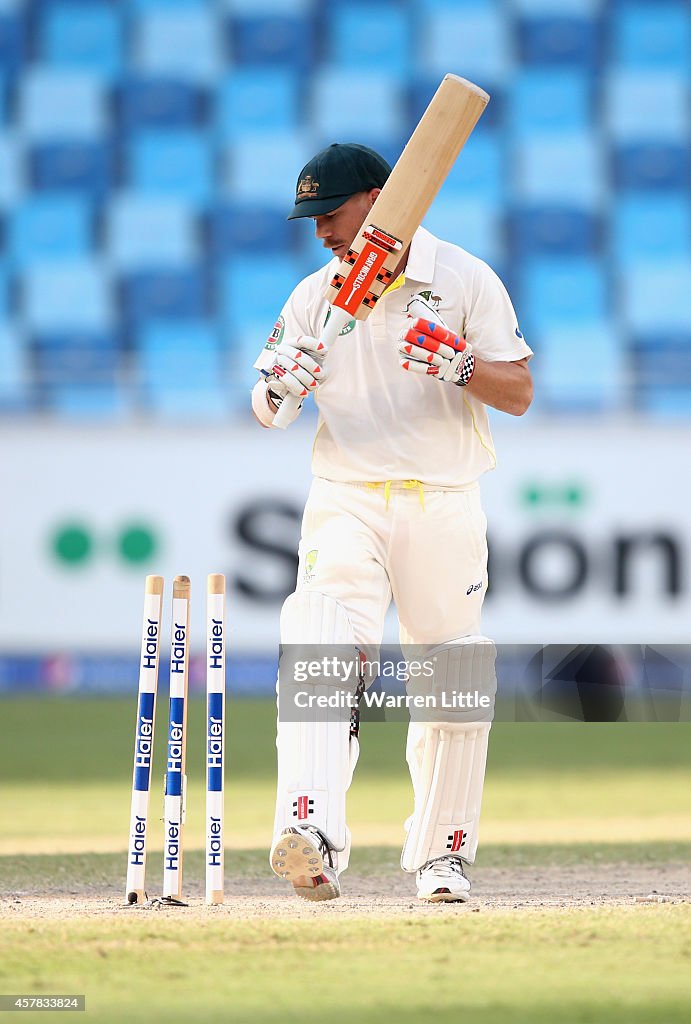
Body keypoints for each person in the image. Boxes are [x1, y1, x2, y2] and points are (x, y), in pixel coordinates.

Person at [251, 142, 533, 903]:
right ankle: (308, 831)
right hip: (346, 494)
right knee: (314, 636)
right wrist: (280, 385)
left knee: (455, 670)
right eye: (308, 220)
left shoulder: (463, 279)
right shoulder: (316, 293)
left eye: (330, 214)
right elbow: (268, 407)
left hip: (443, 499)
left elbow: (519, 393)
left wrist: (462, 366)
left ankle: (441, 856)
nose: (320, 233)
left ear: (380, 199)